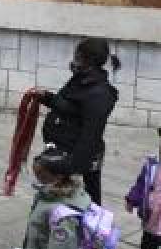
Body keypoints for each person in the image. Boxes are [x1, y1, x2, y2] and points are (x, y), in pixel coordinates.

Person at [35, 37, 121, 204]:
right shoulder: (82, 80)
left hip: (78, 156)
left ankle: (90, 226)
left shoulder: (99, 93)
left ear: (87, 60)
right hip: (66, 149)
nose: (73, 60)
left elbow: (90, 135)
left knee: (87, 202)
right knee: (66, 198)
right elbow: (72, 108)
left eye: (77, 56)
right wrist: (47, 98)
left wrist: (69, 166)